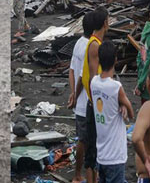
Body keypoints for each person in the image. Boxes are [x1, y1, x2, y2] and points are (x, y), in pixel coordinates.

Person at [90, 41, 134, 183]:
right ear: (116, 59)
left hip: (101, 153)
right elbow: (131, 114)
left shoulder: (94, 83)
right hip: (115, 155)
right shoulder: (116, 87)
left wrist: (120, 105)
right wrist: (124, 106)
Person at [81, 7, 109, 183]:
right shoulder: (94, 45)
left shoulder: (95, 43)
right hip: (94, 105)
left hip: (96, 103)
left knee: (98, 149)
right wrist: (98, 105)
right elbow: (93, 79)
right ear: (105, 23)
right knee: (92, 152)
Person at [68, 12, 95, 183]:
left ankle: (79, 174)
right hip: (85, 103)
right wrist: (76, 96)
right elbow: (82, 78)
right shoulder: (89, 47)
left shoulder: (79, 43)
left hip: (79, 102)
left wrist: (72, 93)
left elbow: (71, 70)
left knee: (82, 140)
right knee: (85, 142)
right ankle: (78, 175)